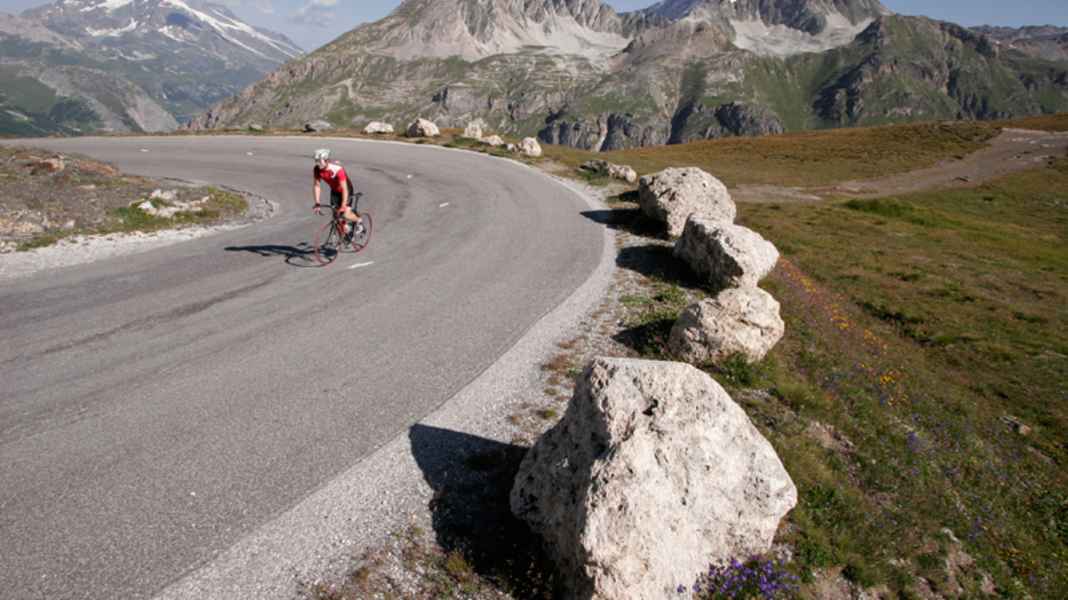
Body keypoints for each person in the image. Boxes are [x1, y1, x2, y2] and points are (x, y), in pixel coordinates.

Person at [312, 148, 363, 239]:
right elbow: (317, 186)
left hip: (346, 190)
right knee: (336, 216)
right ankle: (345, 235)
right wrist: (317, 203)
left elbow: (344, 189)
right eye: (316, 161)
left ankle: (358, 220)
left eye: (319, 161)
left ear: (327, 160)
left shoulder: (338, 170)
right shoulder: (317, 169)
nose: (317, 163)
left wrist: (343, 205)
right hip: (335, 191)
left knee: (344, 214)